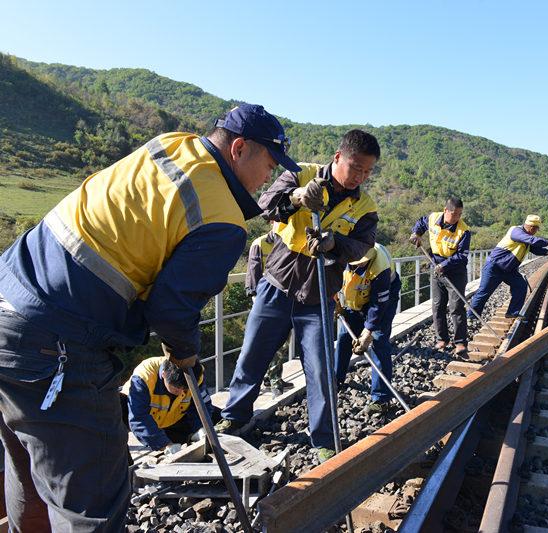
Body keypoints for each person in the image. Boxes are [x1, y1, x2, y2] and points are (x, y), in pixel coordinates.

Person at [0, 103, 297, 530]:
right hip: (55, 341)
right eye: (268, 164)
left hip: (9, 299)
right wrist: (184, 358)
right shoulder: (222, 216)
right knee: (90, 503)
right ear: (239, 149)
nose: (268, 177)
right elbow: (172, 311)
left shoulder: (171, 145)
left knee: (30, 476)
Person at [216, 129, 380, 463]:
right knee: (253, 353)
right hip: (277, 283)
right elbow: (264, 207)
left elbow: (363, 245)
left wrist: (335, 244)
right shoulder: (300, 173)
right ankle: (235, 415)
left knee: (319, 369)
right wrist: (296, 198)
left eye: (367, 171)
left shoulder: (365, 206)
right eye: (355, 167)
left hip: (319, 295)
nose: (359, 177)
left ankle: (323, 437)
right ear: (338, 158)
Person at [334, 243, 401, 414]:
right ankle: (335, 380)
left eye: (361, 263)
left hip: (382, 301)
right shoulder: (340, 253)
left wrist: (367, 331)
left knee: (379, 341)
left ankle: (381, 398)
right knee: (344, 337)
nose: (358, 265)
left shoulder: (380, 267)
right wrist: (334, 302)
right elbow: (330, 280)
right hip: (353, 299)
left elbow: (378, 305)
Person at [469, 215, 548, 319]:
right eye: (536, 229)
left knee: (520, 286)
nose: (536, 231)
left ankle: (512, 313)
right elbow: (533, 241)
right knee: (484, 292)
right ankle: (471, 317)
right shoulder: (516, 231)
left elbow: (535, 249)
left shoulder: (527, 237)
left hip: (509, 269)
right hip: (495, 266)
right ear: (531, 227)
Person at [409, 198, 471, 356]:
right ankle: (442, 339)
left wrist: (445, 265)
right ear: (446, 210)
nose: (457, 217)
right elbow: (421, 223)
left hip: (455, 271)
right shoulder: (432, 218)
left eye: (459, 214)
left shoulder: (464, 231)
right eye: (454, 214)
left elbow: (462, 257)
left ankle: (460, 342)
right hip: (435, 267)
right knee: (437, 306)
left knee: (456, 307)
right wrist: (416, 233)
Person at [122, 356, 214, 452]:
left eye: (185, 388)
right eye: (177, 387)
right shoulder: (144, 377)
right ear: (164, 374)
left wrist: (200, 428)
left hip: (174, 418)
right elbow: (139, 417)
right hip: (148, 424)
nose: (181, 392)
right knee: (120, 408)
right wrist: (164, 445)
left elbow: (203, 405)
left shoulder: (195, 374)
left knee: (217, 420)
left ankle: (190, 435)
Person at [245, 229, 294, 398]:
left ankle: (271, 378)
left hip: (284, 299)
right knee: (263, 344)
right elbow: (253, 272)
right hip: (264, 299)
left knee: (281, 343)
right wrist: (256, 299)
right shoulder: (259, 244)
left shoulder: (290, 239)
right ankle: (273, 381)